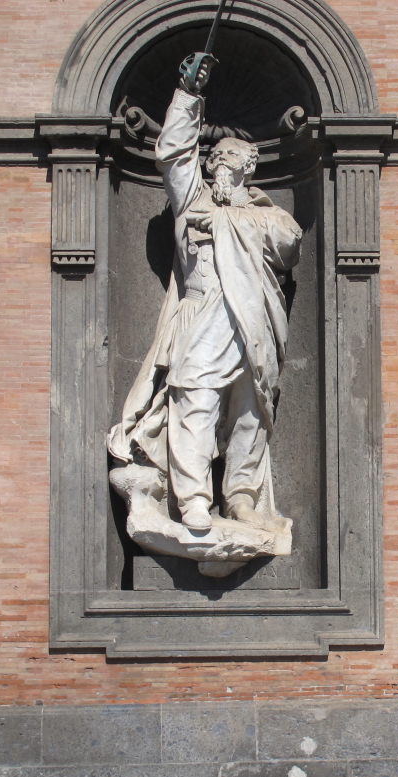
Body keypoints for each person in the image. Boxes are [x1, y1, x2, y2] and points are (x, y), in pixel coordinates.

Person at [107, 57, 303, 533]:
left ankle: (240, 497)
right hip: (203, 310)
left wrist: (226, 223)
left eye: (233, 157)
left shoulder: (267, 215)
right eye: (216, 157)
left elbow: (290, 244)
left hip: (254, 316)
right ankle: (193, 497)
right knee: (194, 397)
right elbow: (174, 153)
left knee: (251, 408)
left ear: (248, 168)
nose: (222, 161)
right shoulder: (191, 201)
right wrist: (188, 96)